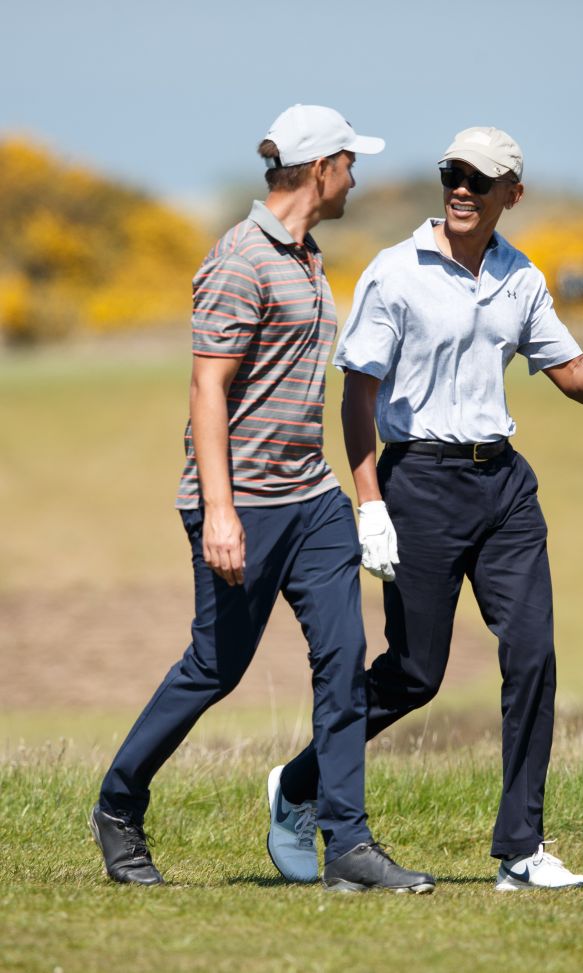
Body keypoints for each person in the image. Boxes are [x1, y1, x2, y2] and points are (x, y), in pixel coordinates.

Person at [274, 126, 583, 891]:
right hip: (419, 482)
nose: (461, 187)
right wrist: (371, 505)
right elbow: (357, 394)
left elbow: (573, 376)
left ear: (510, 195)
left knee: (533, 655)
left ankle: (521, 850)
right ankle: (298, 783)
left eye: (478, 179)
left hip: (504, 489)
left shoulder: (520, 277)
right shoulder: (396, 272)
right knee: (415, 673)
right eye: (452, 172)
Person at [89, 104, 434, 895]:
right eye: (350, 161)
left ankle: (347, 843)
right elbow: (207, 388)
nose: (357, 175)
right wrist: (219, 510)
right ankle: (117, 804)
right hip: (243, 502)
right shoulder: (239, 259)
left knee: (344, 662)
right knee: (216, 665)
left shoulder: (307, 255)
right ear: (321, 170)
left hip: (310, 499)